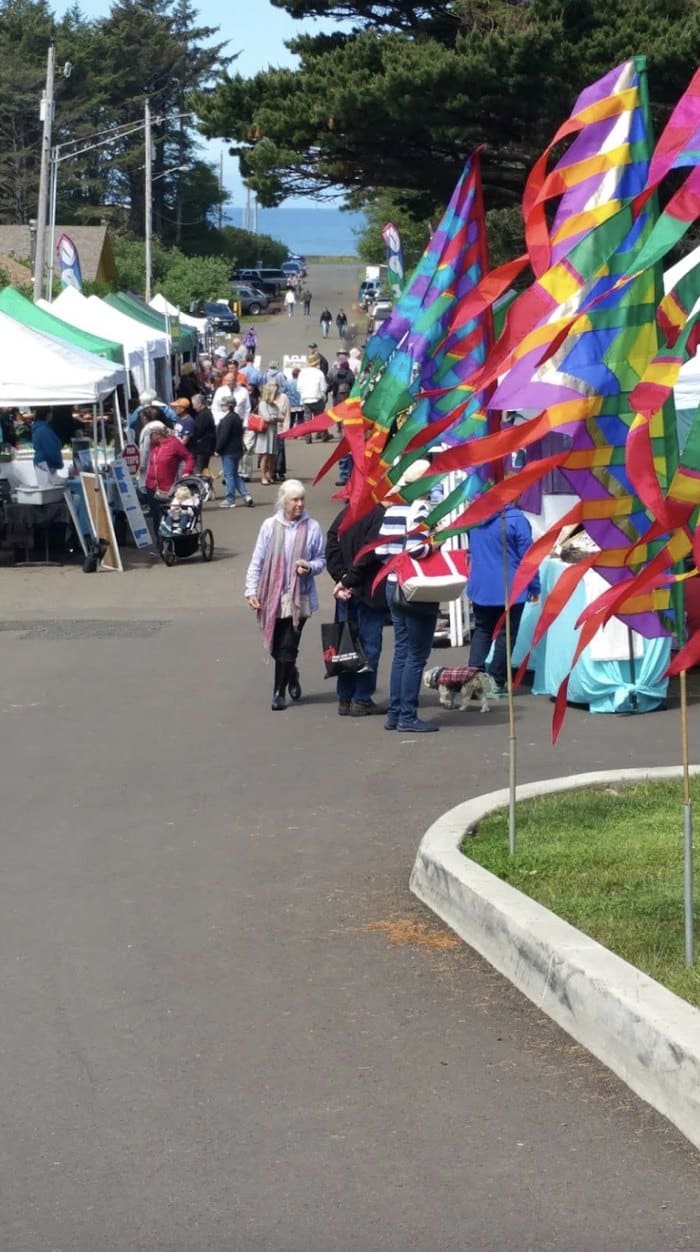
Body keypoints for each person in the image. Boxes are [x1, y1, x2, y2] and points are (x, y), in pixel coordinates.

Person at [245, 480, 326, 711]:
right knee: (274, 646)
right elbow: (257, 560)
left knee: (289, 645)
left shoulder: (312, 527)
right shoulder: (270, 526)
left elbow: (321, 559)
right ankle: (291, 673)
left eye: (302, 499)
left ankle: (278, 693)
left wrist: (309, 566)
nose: (299, 504)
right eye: (294, 500)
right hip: (272, 594)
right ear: (284, 501)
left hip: (300, 596)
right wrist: (250, 590)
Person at [377, 459, 441, 732]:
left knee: (401, 652)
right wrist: (434, 545)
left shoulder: (394, 508)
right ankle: (407, 715)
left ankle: (395, 713)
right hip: (416, 588)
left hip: (393, 583)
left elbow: (381, 551)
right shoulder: (419, 508)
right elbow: (417, 549)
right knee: (416, 654)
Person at [467, 502, 540, 695]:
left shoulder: (475, 517)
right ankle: (496, 681)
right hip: (510, 586)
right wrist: (535, 585)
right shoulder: (517, 519)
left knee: (482, 630)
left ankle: (472, 680)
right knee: (506, 635)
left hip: (481, 585)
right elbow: (528, 556)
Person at [326, 502, 387, 716]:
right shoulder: (378, 514)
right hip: (368, 590)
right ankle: (361, 698)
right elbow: (369, 554)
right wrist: (349, 579)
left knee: (345, 643)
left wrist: (341, 578)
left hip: (346, 591)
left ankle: (345, 697)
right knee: (369, 645)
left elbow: (331, 545)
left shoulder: (345, 513)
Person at [144, 422, 195, 538]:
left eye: (151, 435)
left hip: (168, 488)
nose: (149, 438)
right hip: (151, 486)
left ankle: (169, 544)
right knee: (156, 518)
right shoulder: (154, 445)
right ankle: (160, 547)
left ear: (157, 434)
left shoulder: (174, 443)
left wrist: (187, 471)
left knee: (169, 516)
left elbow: (189, 457)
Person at [215, 399, 254, 509]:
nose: (221, 406)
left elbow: (224, 436)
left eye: (223, 404)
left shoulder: (228, 419)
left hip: (229, 451)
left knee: (229, 475)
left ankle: (230, 499)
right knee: (234, 474)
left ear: (228, 406)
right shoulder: (236, 417)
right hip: (237, 450)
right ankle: (246, 496)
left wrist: (217, 449)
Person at [255, 380, 290, 486]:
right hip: (265, 432)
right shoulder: (263, 404)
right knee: (265, 455)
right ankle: (263, 476)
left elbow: (281, 417)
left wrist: (274, 417)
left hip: (274, 431)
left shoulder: (273, 405)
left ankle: (270, 474)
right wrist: (275, 417)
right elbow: (266, 417)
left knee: (272, 455)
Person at [297, 352, 328, 442]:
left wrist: (303, 395)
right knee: (320, 417)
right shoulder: (319, 373)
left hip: (306, 398)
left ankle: (308, 435)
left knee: (307, 418)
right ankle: (323, 434)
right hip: (317, 398)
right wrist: (323, 395)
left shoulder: (302, 373)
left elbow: (299, 388)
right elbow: (323, 387)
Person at [31, 410, 63, 479]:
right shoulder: (43, 429)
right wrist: (57, 462)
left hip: (42, 462)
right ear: (47, 414)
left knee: (46, 487)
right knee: (48, 488)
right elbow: (51, 448)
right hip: (46, 463)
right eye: (51, 413)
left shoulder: (41, 428)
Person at [190, 394, 216, 473]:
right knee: (202, 469)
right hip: (205, 447)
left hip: (203, 448)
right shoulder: (205, 413)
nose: (193, 407)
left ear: (200, 403)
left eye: (194, 405)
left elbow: (198, 431)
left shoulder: (204, 415)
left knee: (199, 470)